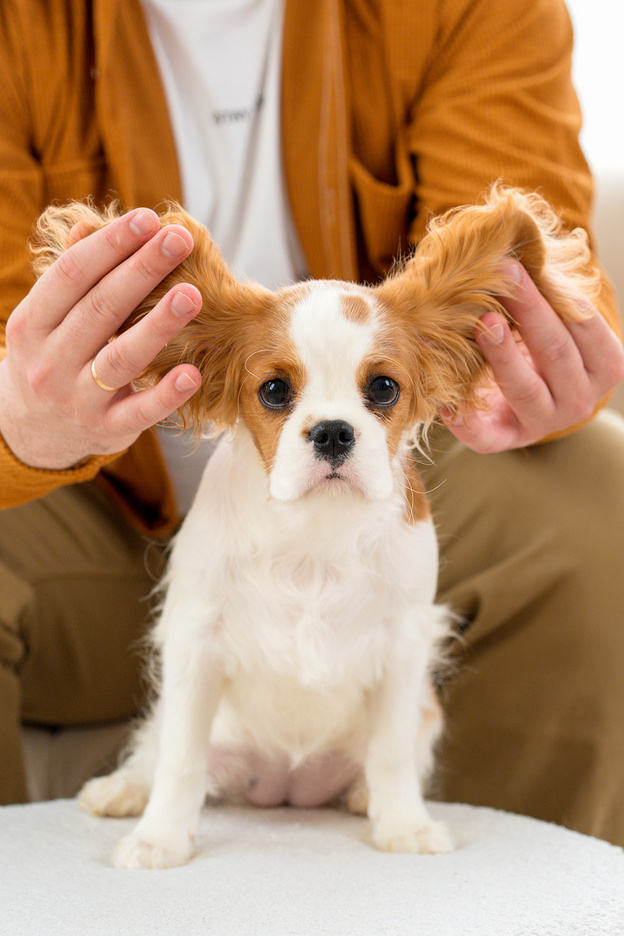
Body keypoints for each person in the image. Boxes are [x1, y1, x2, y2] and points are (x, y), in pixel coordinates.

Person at [1, 0, 624, 843]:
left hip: (388, 511)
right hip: (81, 516)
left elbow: (521, 262)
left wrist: (541, 362)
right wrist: (17, 422)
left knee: (601, 495)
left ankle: (507, 898)